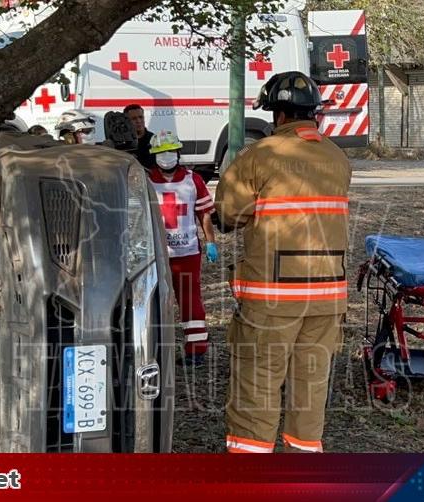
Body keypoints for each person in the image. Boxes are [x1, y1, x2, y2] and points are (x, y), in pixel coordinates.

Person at [216, 71, 351, 453]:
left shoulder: (260, 156)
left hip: (272, 299)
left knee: (256, 389)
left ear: (278, 115)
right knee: (310, 391)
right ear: (313, 114)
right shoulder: (338, 158)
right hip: (327, 299)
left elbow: (228, 216)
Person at [147, 130, 218, 364]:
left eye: (170, 151)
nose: (166, 156)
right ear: (154, 155)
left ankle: (196, 350)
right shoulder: (145, 181)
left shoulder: (193, 179)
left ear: (178, 152)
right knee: (154, 302)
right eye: (161, 152)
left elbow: (204, 215)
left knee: (190, 301)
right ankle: (153, 352)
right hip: (156, 255)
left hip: (187, 253)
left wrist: (211, 243)